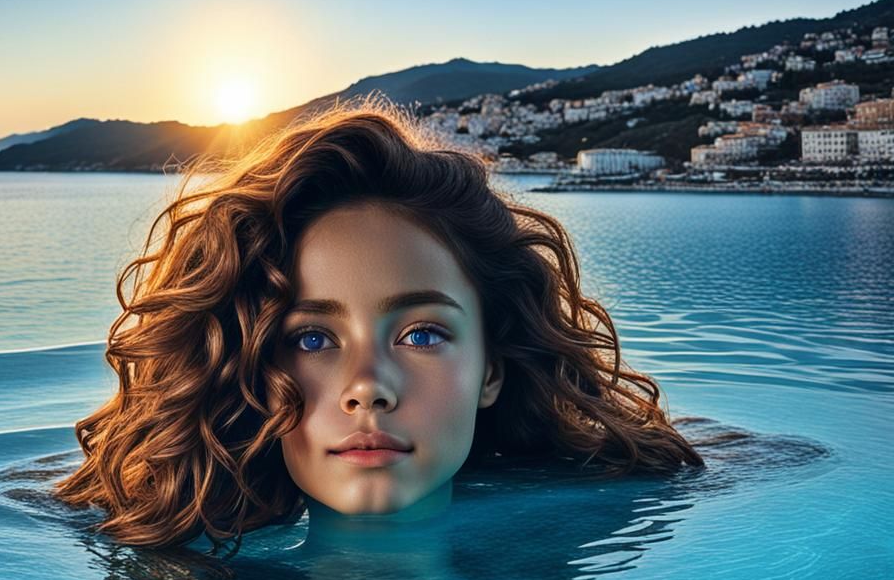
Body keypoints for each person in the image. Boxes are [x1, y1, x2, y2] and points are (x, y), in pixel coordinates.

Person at [51, 93, 705, 555]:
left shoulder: (607, 516)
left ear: (491, 371)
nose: (368, 387)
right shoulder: (150, 549)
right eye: (312, 339)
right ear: (246, 364)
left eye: (422, 334)